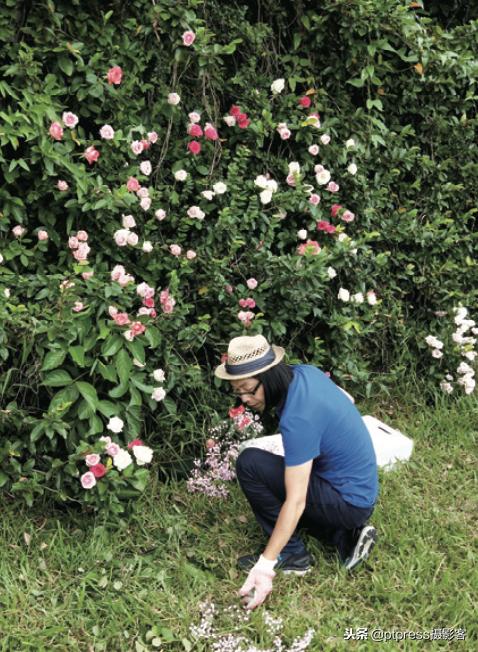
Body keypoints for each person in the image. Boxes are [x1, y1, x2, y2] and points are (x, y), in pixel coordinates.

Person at [214, 334, 379, 610]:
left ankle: (292, 557)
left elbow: (297, 500)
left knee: (250, 464)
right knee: (276, 468)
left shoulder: (299, 418)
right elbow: (345, 399)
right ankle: (344, 537)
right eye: (237, 392)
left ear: (268, 377)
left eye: (248, 390)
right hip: (358, 489)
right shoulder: (305, 373)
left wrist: (265, 565)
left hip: (349, 500)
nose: (244, 399)